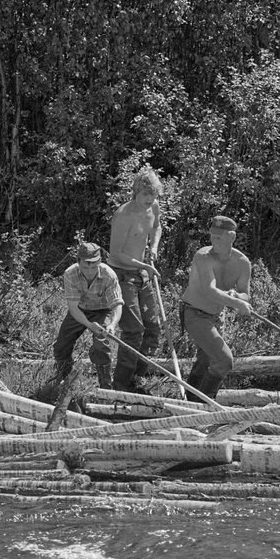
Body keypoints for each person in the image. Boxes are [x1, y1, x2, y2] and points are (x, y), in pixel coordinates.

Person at [179, 214, 252, 402]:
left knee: (207, 360)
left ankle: (189, 402)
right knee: (224, 360)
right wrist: (236, 302)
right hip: (194, 313)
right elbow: (209, 291)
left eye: (219, 237)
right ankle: (203, 404)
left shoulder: (242, 262)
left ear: (232, 237)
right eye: (212, 236)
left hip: (216, 316)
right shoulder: (203, 257)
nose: (214, 241)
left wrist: (237, 296)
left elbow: (245, 294)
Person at [107, 168, 164, 393]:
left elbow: (157, 226)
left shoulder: (154, 207)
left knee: (153, 328)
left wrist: (154, 247)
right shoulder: (123, 215)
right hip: (121, 274)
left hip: (142, 273)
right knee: (133, 330)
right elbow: (116, 253)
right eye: (145, 196)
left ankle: (137, 380)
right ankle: (119, 386)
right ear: (135, 193)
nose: (149, 200)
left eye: (153, 196)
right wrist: (143, 266)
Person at [53, 241, 123, 389]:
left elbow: (117, 304)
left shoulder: (109, 275)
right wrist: (89, 325)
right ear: (78, 263)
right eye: (86, 266)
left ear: (100, 261)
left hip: (103, 310)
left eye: (94, 265)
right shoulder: (70, 274)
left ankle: (106, 387)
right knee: (61, 346)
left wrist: (112, 324)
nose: (90, 270)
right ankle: (66, 383)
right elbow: (73, 308)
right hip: (80, 310)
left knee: (100, 345)